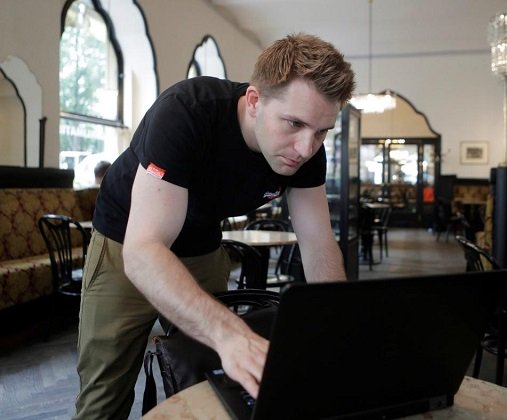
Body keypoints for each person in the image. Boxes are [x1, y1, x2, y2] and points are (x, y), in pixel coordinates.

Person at [74, 33, 355, 419]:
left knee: (212, 382)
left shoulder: (307, 152)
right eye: (294, 123)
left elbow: (319, 244)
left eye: (322, 131)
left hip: (202, 246)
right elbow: (144, 252)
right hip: (127, 243)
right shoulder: (186, 112)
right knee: (104, 395)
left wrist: (337, 322)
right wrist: (230, 334)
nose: (306, 148)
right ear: (255, 101)